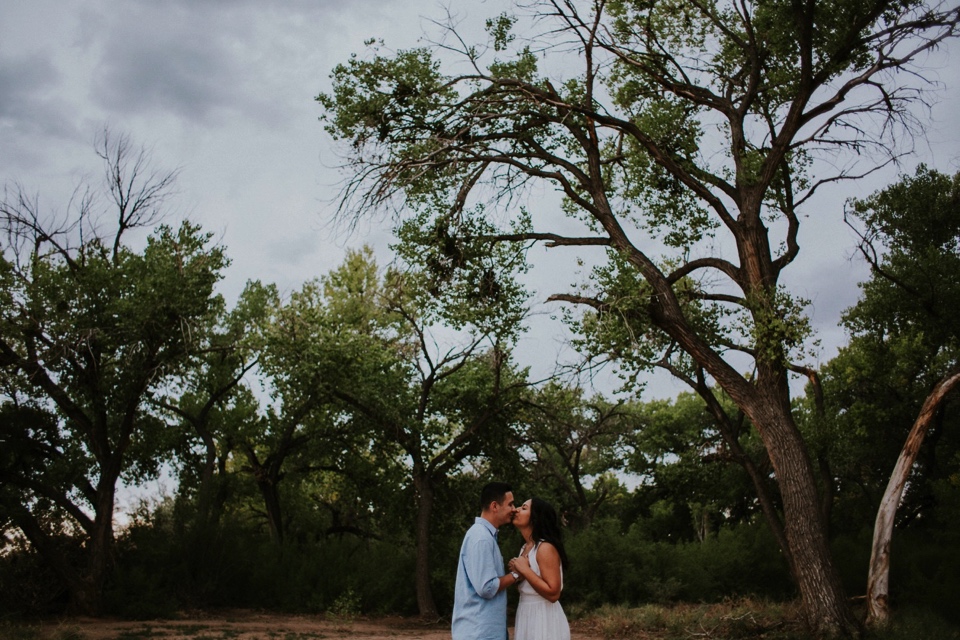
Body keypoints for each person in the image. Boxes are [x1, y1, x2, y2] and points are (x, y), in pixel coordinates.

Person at [452, 481, 521, 640]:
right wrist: (516, 574)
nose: (514, 509)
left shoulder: (486, 536)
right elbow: (487, 587)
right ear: (495, 506)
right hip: (479, 633)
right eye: (510, 504)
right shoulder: (481, 538)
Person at [508, 498, 570, 640]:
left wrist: (525, 570)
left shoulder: (545, 548)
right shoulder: (525, 548)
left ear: (535, 518)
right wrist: (518, 575)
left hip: (544, 617)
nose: (516, 509)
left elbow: (553, 594)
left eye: (523, 508)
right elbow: (529, 585)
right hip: (526, 613)